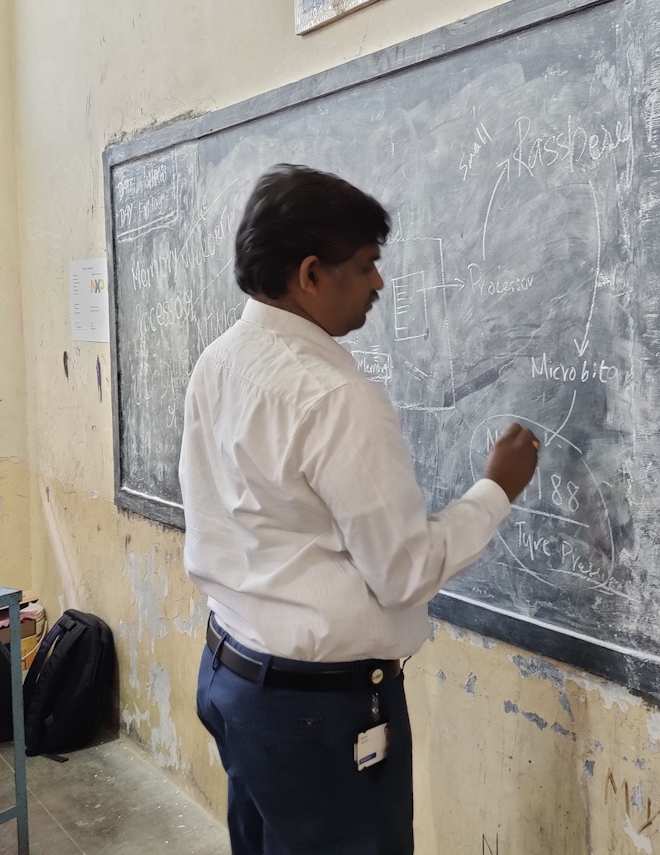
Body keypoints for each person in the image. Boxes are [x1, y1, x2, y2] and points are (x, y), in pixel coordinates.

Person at [179, 164, 539, 855]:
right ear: (311, 274)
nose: (379, 283)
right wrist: (497, 489)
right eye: (368, 264)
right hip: (320, 716)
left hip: (234, 676)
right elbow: (403, 572)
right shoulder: (336, 396)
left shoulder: (220, 360)